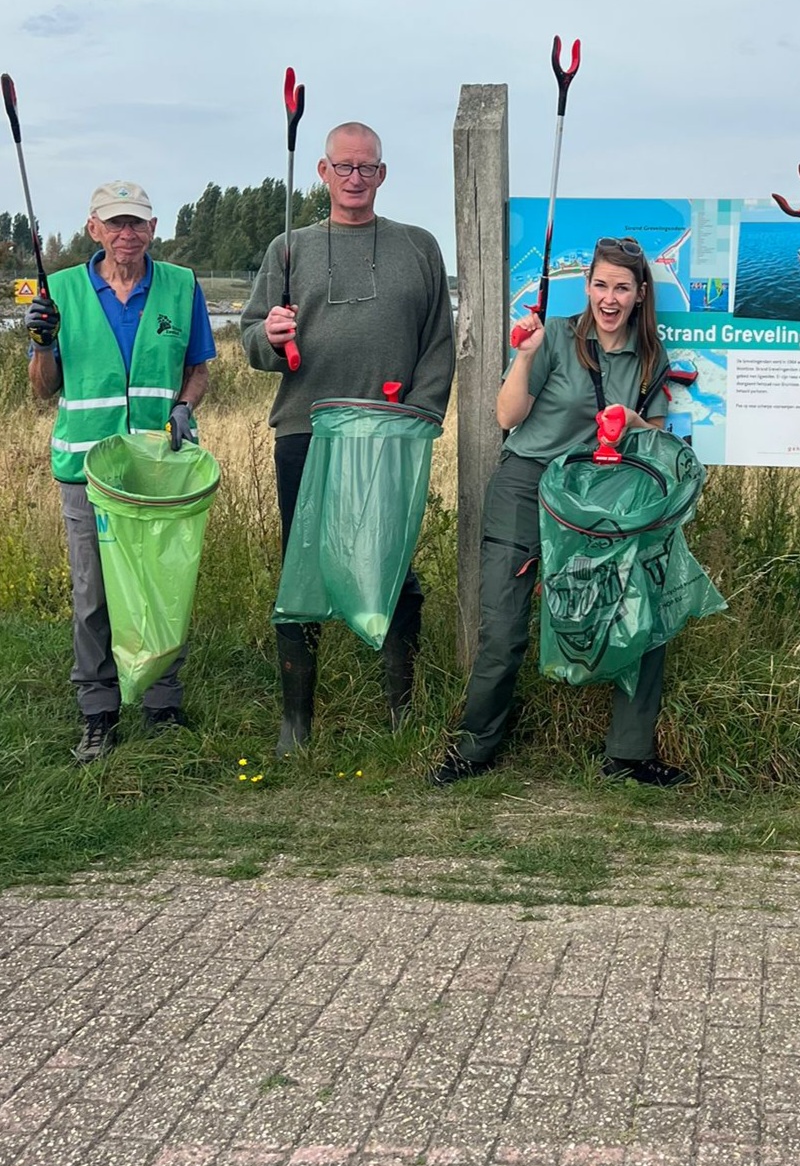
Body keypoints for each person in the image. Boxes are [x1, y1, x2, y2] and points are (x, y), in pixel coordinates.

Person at [431, 236, 689, 789]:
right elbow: (507, 414)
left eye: (622, 287)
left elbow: (657, 435)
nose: (610, 298)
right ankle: (474, 748)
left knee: (639, 611)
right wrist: (524, 354)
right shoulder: (556, 338)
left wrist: (633, 424)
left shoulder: (652, 356)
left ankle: (628, 754)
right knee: (502, 627)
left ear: (641, 293)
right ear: (587, 287)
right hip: (528, 486)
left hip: (602, 492)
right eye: (601, 285)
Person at [241, 121, 454, 751]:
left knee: (394, 568)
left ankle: (401, 711)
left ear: (382, 174)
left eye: (367, 168)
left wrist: (420, 416)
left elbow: (438, 341)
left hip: (390, 435)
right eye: (344, 168)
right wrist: (271, 340)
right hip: (307, 432)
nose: (355, 179)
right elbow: (252, 338)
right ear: (323, 172)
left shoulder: (418, 246)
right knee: (303, 570)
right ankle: (296, 725)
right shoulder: (289, 248)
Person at [26, 179, 215, 762]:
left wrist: (184, 407)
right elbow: (41, 389)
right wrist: (41, 344)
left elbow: (199, 370)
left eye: (137, 222)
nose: (127, 233)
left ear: (153, 229)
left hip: (158, 469)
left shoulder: (182, 287)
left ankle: (161, 702)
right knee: (93, 595)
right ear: (94, 229)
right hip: (86, 470)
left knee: (161, 586)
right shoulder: (57, 293)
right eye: (116, 223)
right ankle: (98, 712)